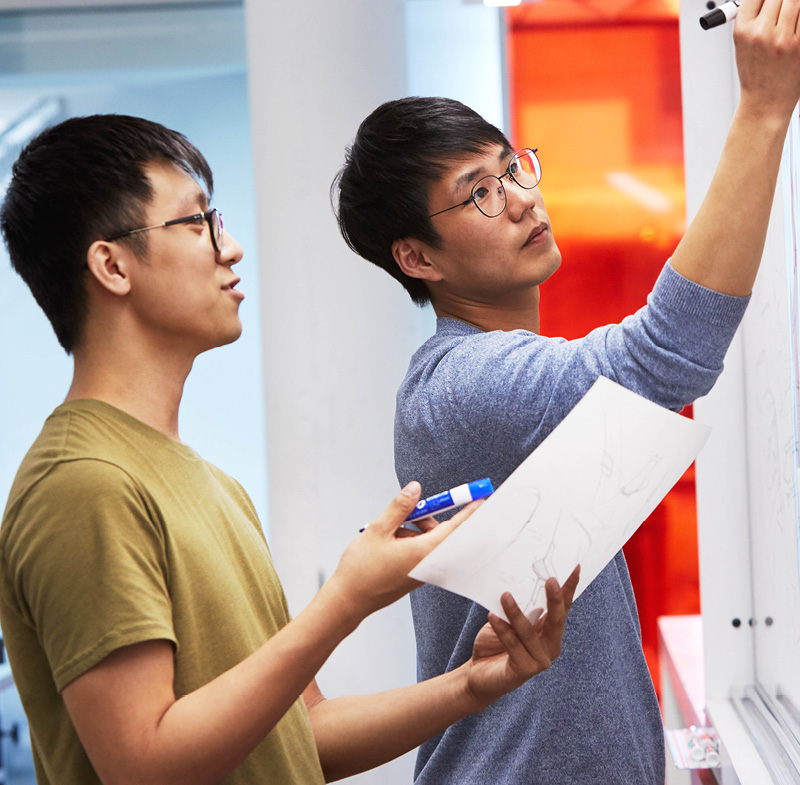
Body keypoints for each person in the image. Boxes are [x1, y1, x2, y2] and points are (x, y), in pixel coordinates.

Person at [0, 113, 581, 785]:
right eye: (197, 224)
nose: (232, 248)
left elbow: (299, 736)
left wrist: (474, 686)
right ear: (111, 264)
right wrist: (345, 599)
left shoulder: (211, 484)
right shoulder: (82, 484)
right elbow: (145, 765)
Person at [332, 2, 800, 783]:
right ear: (417, 256)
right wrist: (761, 110)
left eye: (513, 166)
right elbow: (668, 354)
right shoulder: (464, 385)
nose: (519, 196)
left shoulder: (498, 375)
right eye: (479, 192)